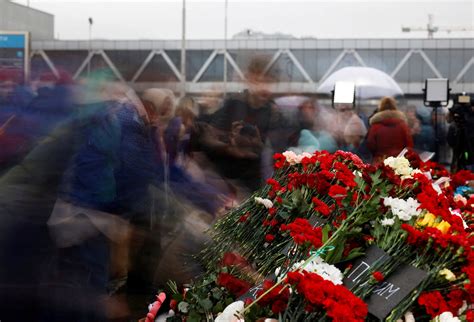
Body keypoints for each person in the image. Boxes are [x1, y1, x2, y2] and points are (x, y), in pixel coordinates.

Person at [195, 55, 284, 192]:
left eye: (269, 82)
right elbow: (207, 139)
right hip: (224, 180)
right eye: (258, 81)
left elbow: (278, 153)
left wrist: (258, 147)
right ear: (249, 79)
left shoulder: (274, 113)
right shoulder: (233, 104)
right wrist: (229, 147)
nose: (264, 88)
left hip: (251, 183)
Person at [367, 97, 413, 164]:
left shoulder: (375, 126)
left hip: (380, 162)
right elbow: (409, 144)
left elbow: (371, 144)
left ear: (380, 107)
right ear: (394, 106)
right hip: (399, 162)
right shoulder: (403, 125)